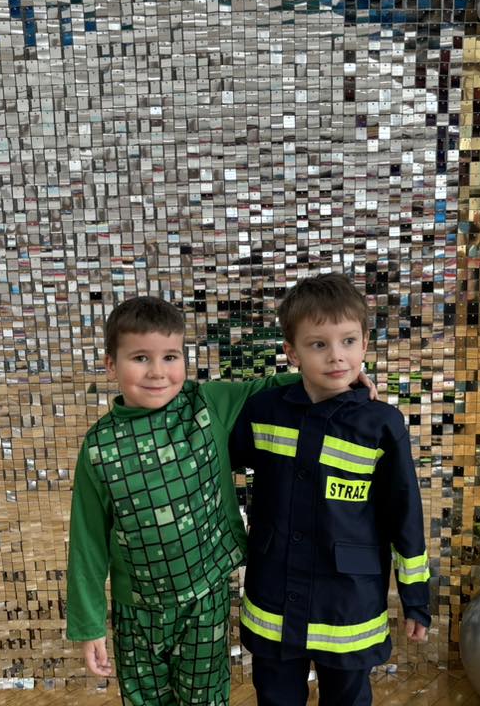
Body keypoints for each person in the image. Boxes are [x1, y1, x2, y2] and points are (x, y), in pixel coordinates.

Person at [65, 295, 373, 706]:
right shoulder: (99, 447)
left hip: (206, 599)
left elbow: (269, 387)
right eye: (140, 358)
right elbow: (87, 541)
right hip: (136, 610)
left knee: (205, 699)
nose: (157, 371)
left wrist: (343, 377)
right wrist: (89, 625)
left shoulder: (206, 404)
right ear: (110, 364)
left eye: (170, 357)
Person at [232, 273, 431, 706]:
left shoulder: (382, 425)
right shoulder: (263, 411)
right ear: (292, 352)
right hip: (274, 597)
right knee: (276, 698)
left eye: (348, 341)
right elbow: (216, 457)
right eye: (318, 344)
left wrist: (415, 598)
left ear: (365, 344)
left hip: (348, 604)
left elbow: (404, 515)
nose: (337, 356)